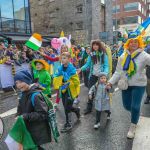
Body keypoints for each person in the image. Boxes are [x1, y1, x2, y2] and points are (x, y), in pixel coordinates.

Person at [106, 36, 150, 139]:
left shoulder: (144, 55)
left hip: (139, 85)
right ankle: (136, 113)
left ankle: (133, 126)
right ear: (128, 44)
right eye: (131, 42)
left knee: (135, 106)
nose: (134, 44)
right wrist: (110, 82)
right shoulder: (123, 56)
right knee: (126, 106)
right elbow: (118, 72)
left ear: (139, 43)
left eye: (136, 42)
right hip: (125, 84)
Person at [14, 70, 51, 150]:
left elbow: (42, 114)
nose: (18, 85)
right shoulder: (23, 94)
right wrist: (17, 115)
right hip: (28, 127)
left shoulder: (36, 95)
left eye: (21, 81)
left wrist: (25, 116)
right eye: (16, 83)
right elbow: (20, 108)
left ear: (27, 80)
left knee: (34, 147)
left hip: (36, 130)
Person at [78, 39, 109, 115]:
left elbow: (106, 66)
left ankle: (104, 107)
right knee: (90, 92)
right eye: (93, 45)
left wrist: (104, 74)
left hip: (101, 77)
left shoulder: (104, 55)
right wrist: (80, 69)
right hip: (92, 76)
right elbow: (87, 64)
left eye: (96, 44)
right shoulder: (91, 55)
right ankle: (89, 108)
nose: (95, 46)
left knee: (102, 92)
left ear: (99, 45)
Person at [53, 52, 80, 132]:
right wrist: (59, 80)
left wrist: (68, 83)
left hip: (70, 90)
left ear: (69, 59)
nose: (62, 59)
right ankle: (76, 110)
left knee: (67, 107)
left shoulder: (72, 69)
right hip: (63, 90)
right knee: (65, 106)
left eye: (64, 58)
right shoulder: (60, 68)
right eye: (61, 58)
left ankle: (68, 124)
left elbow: (76, 81)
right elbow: (56, 76)